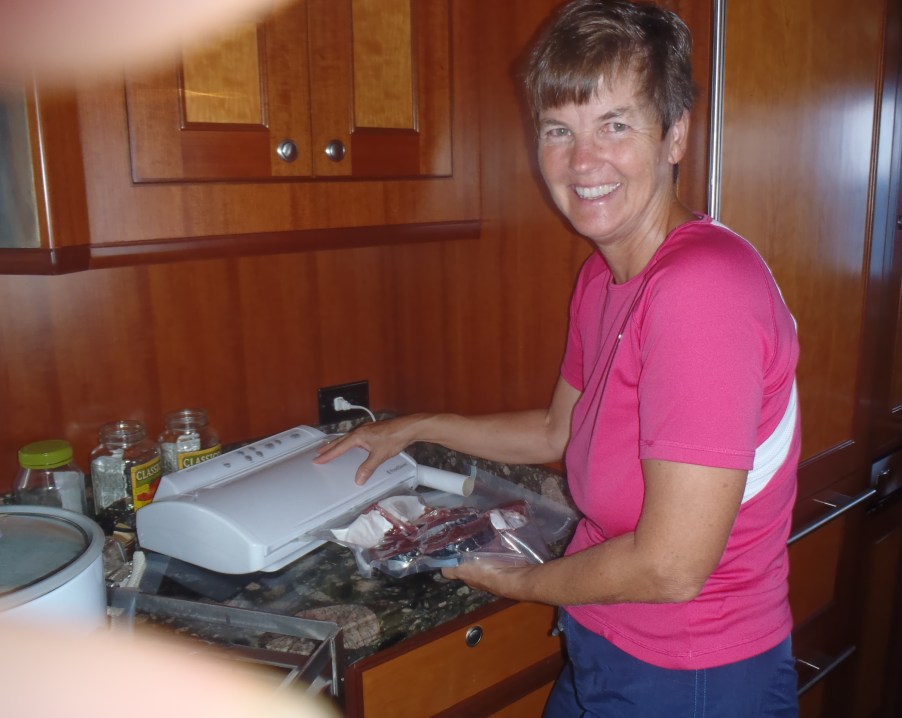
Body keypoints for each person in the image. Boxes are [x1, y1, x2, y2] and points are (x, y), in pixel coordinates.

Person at [315, 1, 801, 715]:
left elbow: (670, 568)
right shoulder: (604, 277)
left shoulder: (703, 290)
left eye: (615, 125)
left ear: (675, 135)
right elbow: (557, 431)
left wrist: (517, 580)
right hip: (606, 645)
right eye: (558, 130)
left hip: (693, 676)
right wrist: (417, 426)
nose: (582, 161)